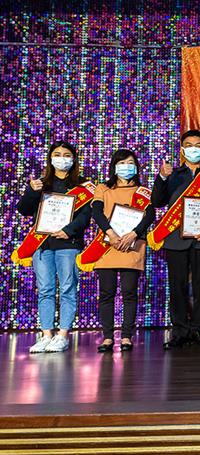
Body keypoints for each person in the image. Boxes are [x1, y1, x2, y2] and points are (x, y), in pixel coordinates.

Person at [151, 130, 200, 350]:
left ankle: (198, 330)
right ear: (182, 149)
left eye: (198, 145)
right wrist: (162, 178)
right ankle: (180, 331)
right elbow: (157, 201)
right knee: (177, 286)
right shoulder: (172, 174)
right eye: (189, 145)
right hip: (176, 239)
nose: (194, 148)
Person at [16, 141, 92, 353]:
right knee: (45, 290)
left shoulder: (83, 186)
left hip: (68, 243)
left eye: (66, 155)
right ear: (50, 158)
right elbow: (23, 210)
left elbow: (86, 215)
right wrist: (31, 192)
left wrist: (69, 230)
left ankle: (63, 335)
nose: (62, 158)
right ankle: (46, 334)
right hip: (42, 244)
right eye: (57, 154)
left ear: (73, 159)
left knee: (68, 288)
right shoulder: (41, 184)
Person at [91, 149, 155, 352]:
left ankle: (126, 336)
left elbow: (150, 215)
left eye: (130, 163)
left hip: (132, 244)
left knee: (129, 293)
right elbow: (97, 212)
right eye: (121, 163)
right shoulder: (103, 188)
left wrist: (134, 234)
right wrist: (111, 234)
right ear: (114, 166)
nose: (126, 167)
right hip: (107, 245)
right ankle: (108, 337)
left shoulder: (143, 191)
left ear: (136, 167)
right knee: (106, 293)